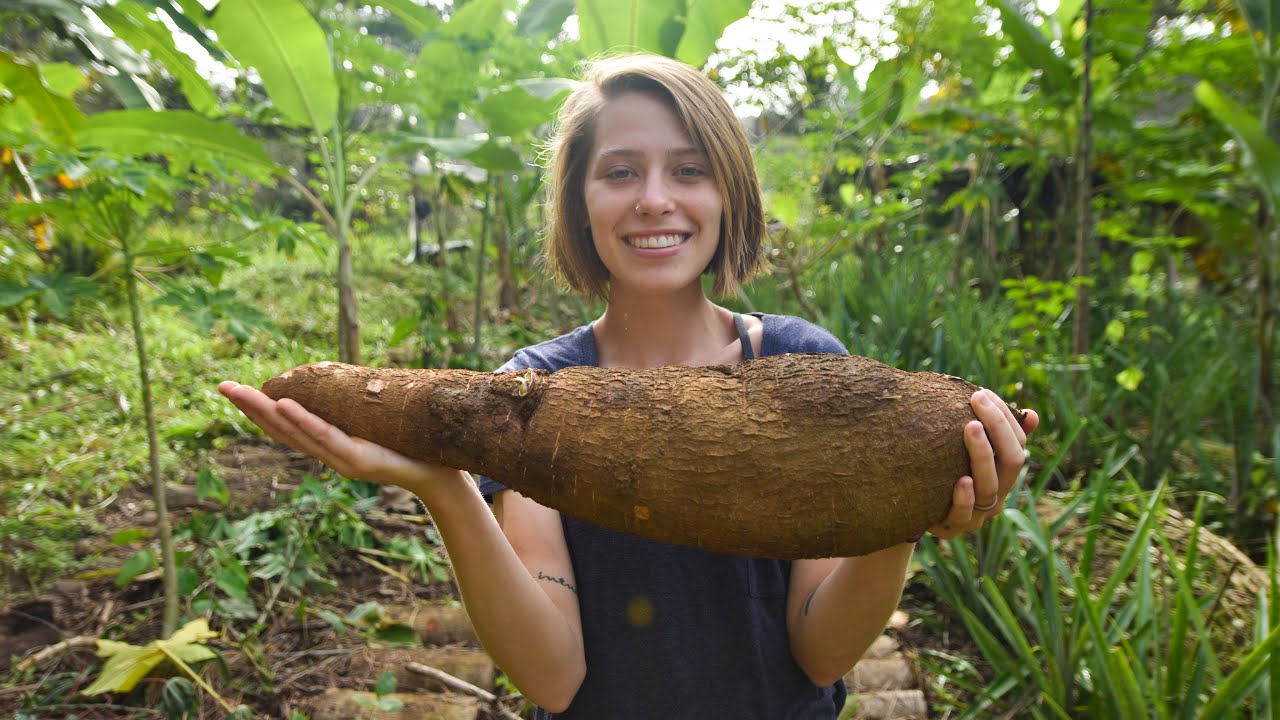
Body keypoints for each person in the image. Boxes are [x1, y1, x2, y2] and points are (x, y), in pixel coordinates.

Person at [220, 53, 1038, 719]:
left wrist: (902, 507)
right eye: (619, 172)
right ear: (579, 202)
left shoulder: (802, 361)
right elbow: (554, 679)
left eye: (688, 170)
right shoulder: (532, 388)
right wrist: (444, 486)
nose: (654, 200)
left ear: (729, 194)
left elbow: (820, 653)